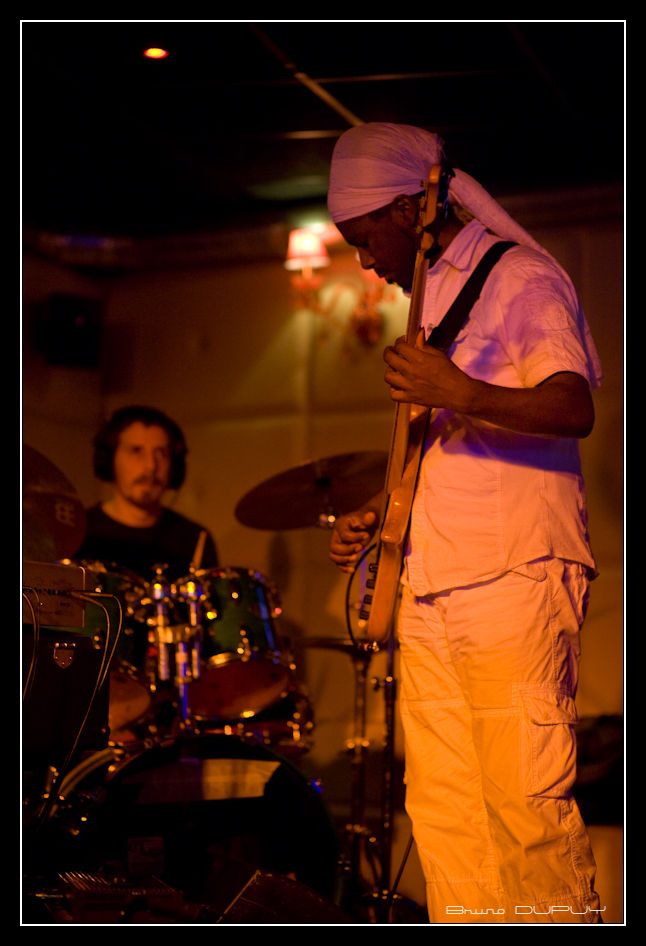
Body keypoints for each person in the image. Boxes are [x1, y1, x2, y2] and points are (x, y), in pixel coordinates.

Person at [327, 123, 604, 923]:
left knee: (525, 811)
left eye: (364, 237)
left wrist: (461, 390)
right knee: (447, 821)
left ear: (408, 208)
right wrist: (379, 515)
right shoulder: (434, 298)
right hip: (432, 584)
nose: (363, 260)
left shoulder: (519, 276)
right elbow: (453, 450)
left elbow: (573, 406)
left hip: (514, 575)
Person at [76, 405, 218, 581]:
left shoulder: (196, 540)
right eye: (136, 451)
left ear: (175, 467)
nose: (151, 466)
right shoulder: (78, 535)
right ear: (109, 460)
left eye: (162, 454)